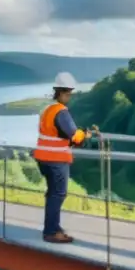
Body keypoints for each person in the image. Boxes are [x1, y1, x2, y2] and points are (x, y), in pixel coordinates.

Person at [33, 72, 94, 244]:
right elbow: (74, 136)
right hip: (56, 159)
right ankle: (51, 231)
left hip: (43, 157)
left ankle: (53, 227)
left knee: (52, 193)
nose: (69, 97)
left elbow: (56, 133)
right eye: (68, 94)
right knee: (57, 194)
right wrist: (85, 135)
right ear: (61, 93)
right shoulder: (61, 111)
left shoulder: (47, 109)